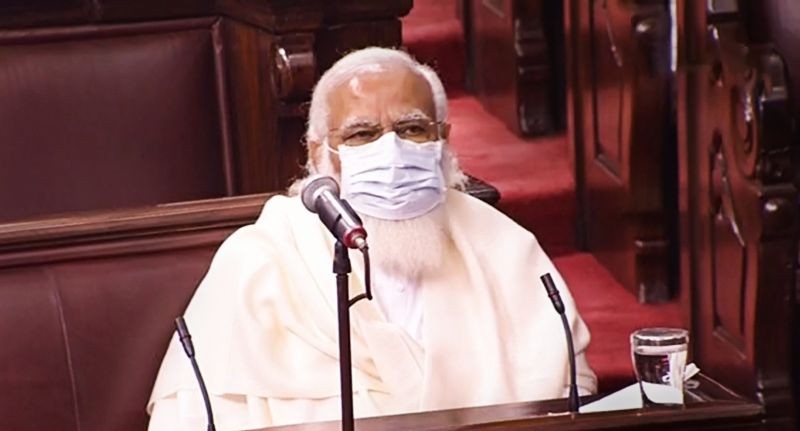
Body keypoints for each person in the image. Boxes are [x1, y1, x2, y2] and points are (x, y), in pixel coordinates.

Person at [147, 47, 596, 430]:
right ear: (319, 151)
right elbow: (187, 412)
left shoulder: (503, 246)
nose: (393, 151)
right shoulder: (258, 261)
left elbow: (568, 390)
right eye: (363, 134)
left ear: (443, 139)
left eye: (412, 128)